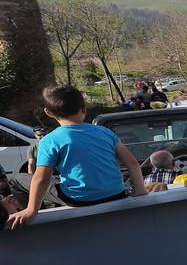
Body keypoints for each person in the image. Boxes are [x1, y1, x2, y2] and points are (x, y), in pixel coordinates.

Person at [8, 85, 147, 227]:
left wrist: (32, 210)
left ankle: (37, 215)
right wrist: (140, 190)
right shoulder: (104, 132)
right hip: (116, 194)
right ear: (84, 109)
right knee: (57, 179)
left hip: (79, 199)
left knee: (16, 179)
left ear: (48, 112)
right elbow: (132, 163)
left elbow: (42, 178)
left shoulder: (49, 140)